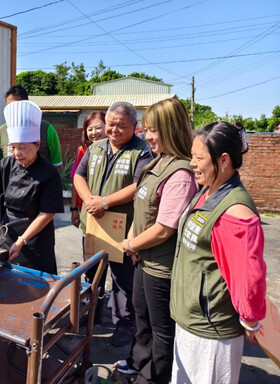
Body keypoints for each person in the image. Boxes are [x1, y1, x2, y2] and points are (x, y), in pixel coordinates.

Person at [170, 122, 267, 384]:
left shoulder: (236, 211)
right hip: (191, 321)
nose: (191, 163)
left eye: (199, 158)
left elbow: (248, 276)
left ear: (223, 160)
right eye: (192, 155)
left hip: (211, 334)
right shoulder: (207, 191)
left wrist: (250, 320)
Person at [114, 98, 198, 383]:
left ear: (172, 129)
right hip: (142, 258)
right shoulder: (157, 162)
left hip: (161, 268)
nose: (148, 136)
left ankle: (154, 376)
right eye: (146, 130)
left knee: (161, 328)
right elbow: (142, 207)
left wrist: (131, 245)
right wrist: (132, 238)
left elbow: (164, 228)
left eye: (155, 130)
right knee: (141, 316)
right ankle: (138, 362)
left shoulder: (181, 173)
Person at [74, 102, 152, 340]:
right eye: (111, 124)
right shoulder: (96, 147)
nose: (114, 130)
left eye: (122, 125)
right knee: (92, 275)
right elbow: (79, 175)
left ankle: (124, 324)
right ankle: (93, 313)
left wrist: (105, 202)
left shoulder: (142, 151)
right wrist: (89, 200)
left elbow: (139, 185)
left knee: (123, 280)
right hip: (94, 227)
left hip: (123, 229)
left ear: (135, 126)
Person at [0, 100, 64, 274]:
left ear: (37, 145)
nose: (17, 153)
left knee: (36, 286)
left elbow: (46, 215)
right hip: (9, 235)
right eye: (13, 147)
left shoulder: (49, 173)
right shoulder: (7, 164)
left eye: (23, 148)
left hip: (36, 242)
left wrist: (22, 240)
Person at [0, 85, 62, 169]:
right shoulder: (1, 132)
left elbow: (56, 165)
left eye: (17, 106)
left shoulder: (46, 129)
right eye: (9, 107)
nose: (13, 110)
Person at [70, 111, 106, 228]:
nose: (94, 133)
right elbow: (76, 181)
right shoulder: (82, 151)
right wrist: (74, 208)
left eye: (98, 128)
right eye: (90, 129)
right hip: (87, 208)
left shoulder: (114, 151)